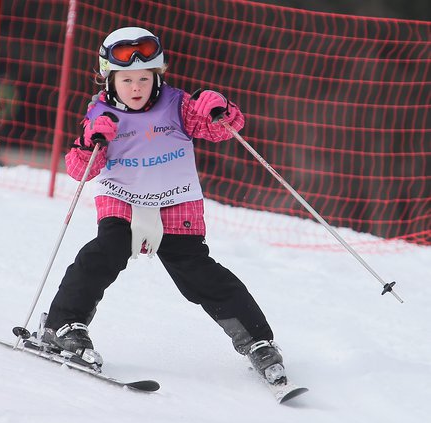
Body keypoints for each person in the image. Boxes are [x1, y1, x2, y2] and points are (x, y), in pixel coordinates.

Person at [41, 27, 286, 384]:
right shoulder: (101, 114)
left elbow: (221, 128)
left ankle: (258, 341)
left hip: (176, 201)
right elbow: (80, 170)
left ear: (157, 76)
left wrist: (219, 108)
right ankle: (62, 326)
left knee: (198, 273)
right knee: (103, 254)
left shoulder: (178, 104)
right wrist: (90, 140)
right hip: (122, 199)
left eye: (144, 78)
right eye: (126, 80)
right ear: (109, 78)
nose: (136, 88)